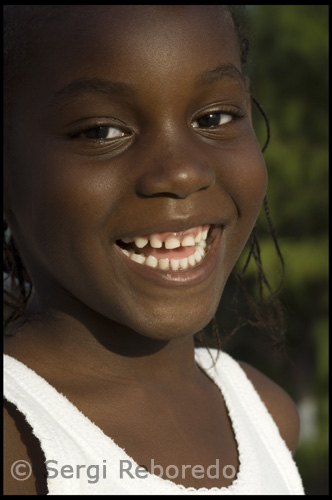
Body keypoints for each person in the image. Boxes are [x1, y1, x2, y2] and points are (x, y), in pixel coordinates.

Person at [3, 5, 305, 495]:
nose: (183, 172)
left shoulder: (265, 414)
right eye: (101, 131)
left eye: (215, 117)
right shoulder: (19, 451)